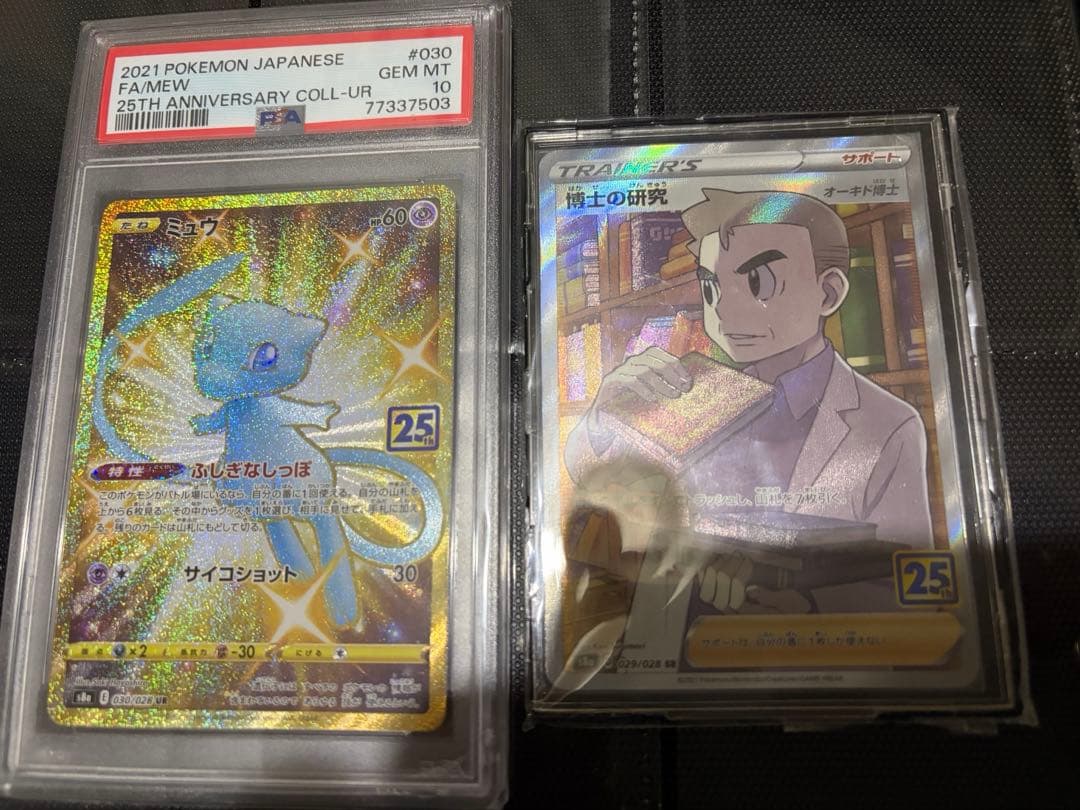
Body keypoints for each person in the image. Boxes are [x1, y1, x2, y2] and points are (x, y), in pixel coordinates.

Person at [564, 188, 932, 613]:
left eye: (759, 282)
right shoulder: (699, 395)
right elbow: (596, 485)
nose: (723, 312)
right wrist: (603, 416)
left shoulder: (889, 423)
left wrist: (808, 605)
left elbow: (910, 575)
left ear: (828, 293)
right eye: (711, 286)